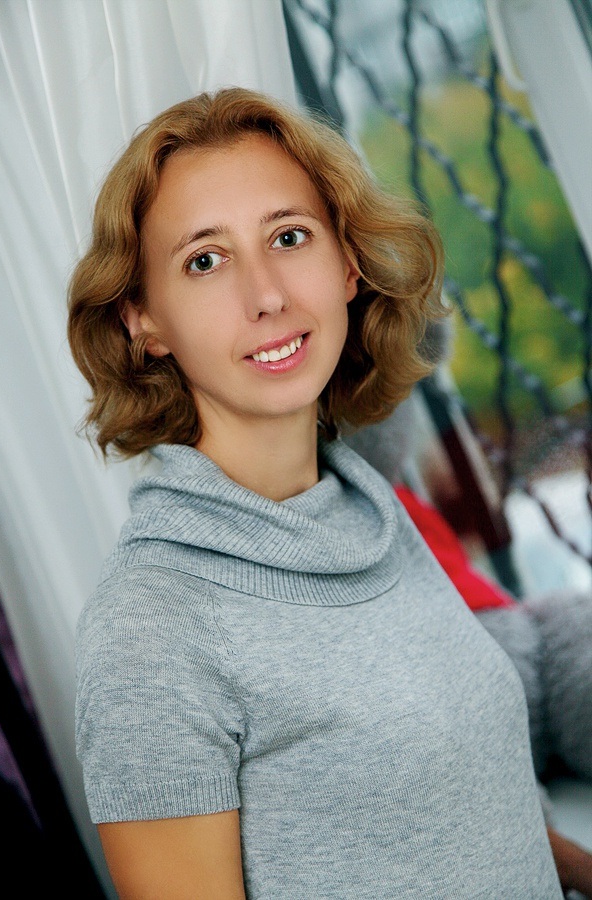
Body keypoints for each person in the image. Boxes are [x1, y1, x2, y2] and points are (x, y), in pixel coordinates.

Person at [69, 87, 566, 898]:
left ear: (346, 264)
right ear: (142, 321)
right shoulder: (150, 628)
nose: (266, 295)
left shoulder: (369, 513)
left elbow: (459, 806)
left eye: (288, 237)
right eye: (205, 260)